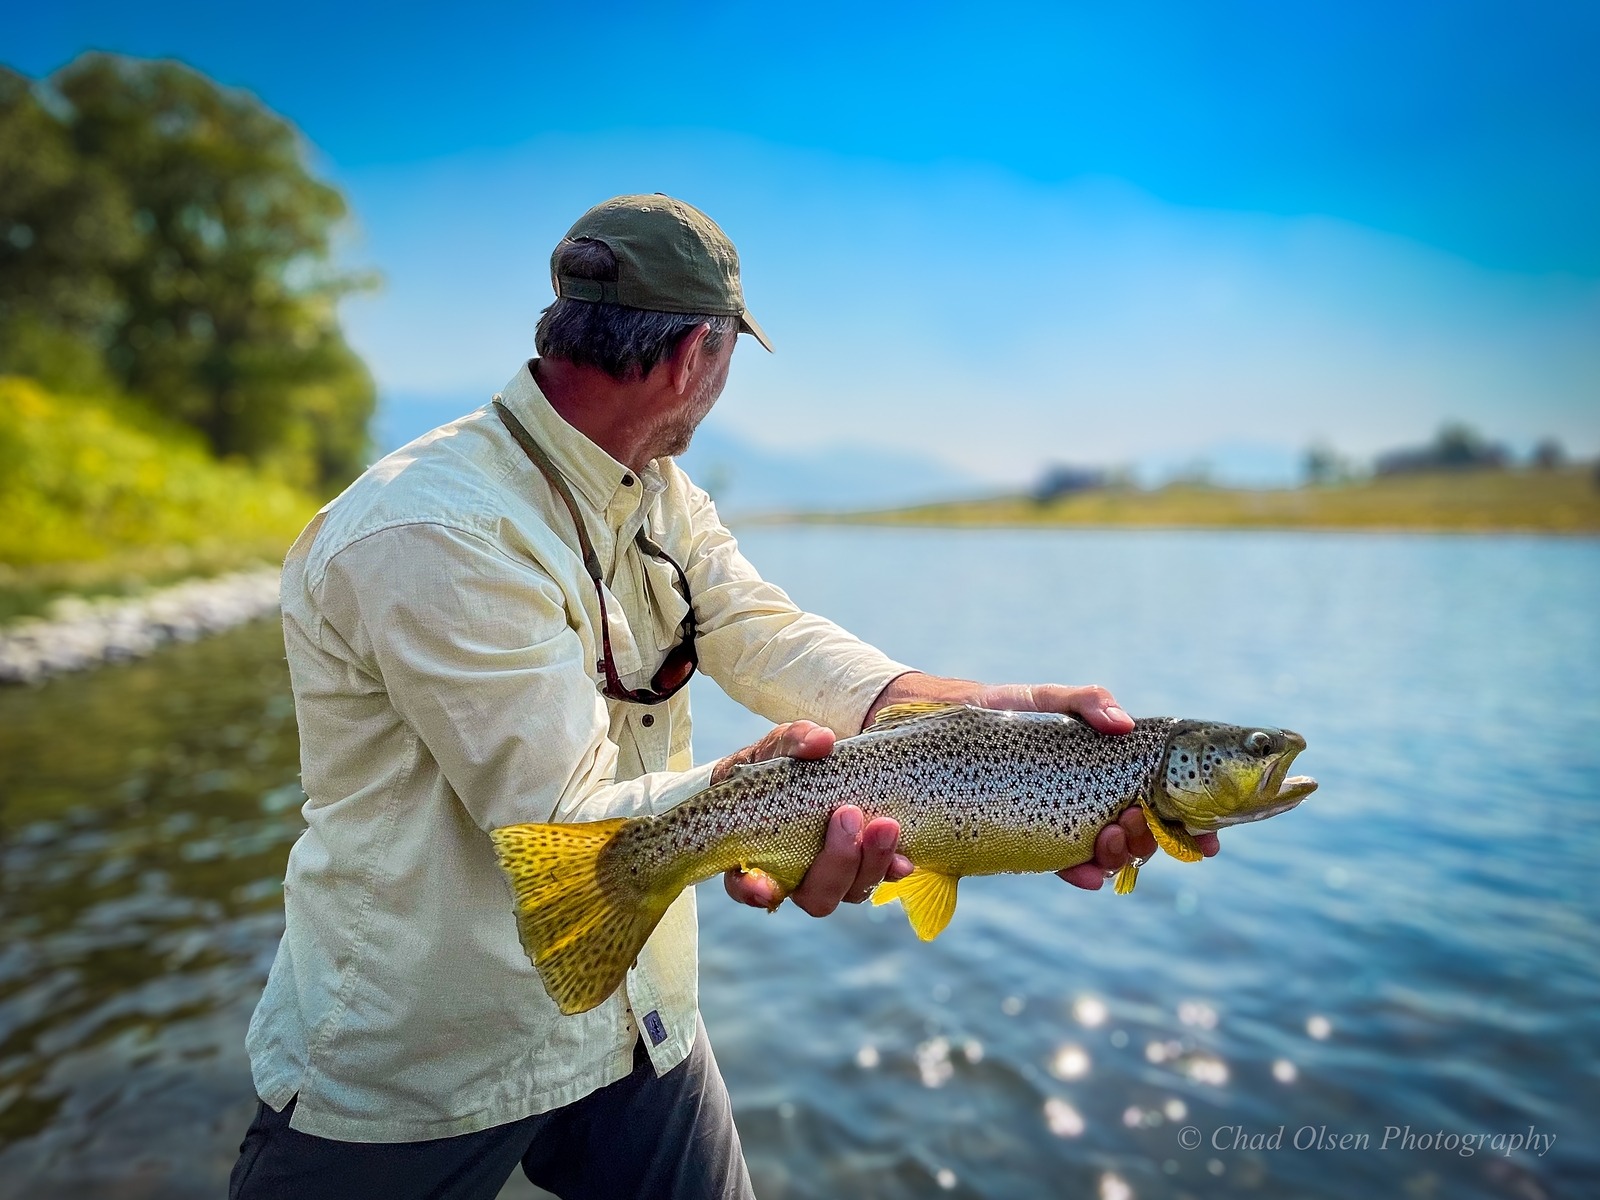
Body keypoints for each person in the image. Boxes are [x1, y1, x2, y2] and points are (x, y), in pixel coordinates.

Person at [228, 194, 1219, 1200]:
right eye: (731, 355)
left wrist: (971, 720)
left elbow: (754, 625)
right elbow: (556, 821)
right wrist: (779, 810)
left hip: (633, 1017)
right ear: (694, 354)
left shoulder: (653, 487)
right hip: (420, 1049)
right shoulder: (434, 534)